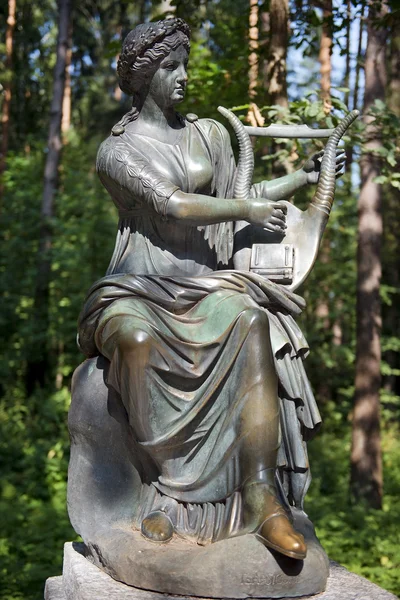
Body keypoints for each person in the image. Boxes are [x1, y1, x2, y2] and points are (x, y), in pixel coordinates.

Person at [78, 17, 342, 560]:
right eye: (170, 66)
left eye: (185, 64)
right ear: (142, 76)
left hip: (204, 282)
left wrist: (304, 177)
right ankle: (164, 489)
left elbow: (243, 195)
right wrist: (245, 207)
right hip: (138, 287)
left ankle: (263, 499)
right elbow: (172, 204)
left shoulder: (208, 135)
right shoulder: (117, 153)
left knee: (251, 323)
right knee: (134, 341)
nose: (184, 76)